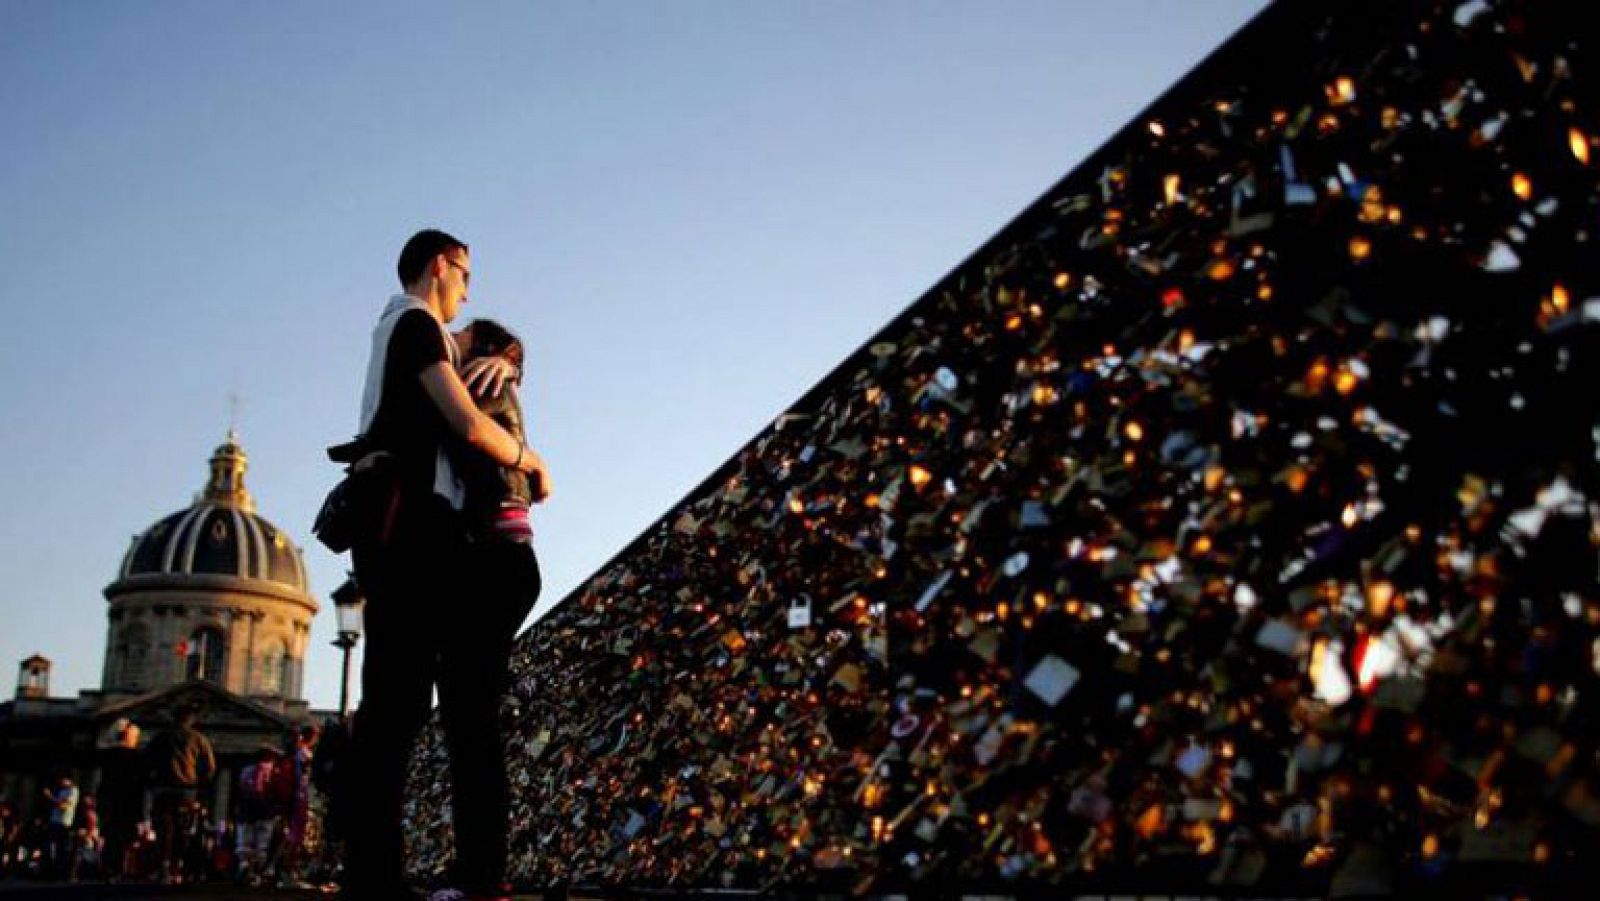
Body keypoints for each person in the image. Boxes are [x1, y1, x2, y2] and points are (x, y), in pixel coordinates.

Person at [342, 229, 549, 901]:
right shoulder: (416, 324)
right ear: (442, 264)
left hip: (397, 533)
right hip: (412, 536)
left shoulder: (394, 330)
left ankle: (377, 872)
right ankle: (392, 875)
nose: (468, 291)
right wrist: (530, 460)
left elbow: (483, 357)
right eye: (465, 275)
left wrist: (509, 357)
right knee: (407, 707)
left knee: (395, 706)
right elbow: (465, 422)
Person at [145, 706, 215, 884]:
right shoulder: (199, 739)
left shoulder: (161, 737)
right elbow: (210, 767)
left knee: (163, 829)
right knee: (183, 829)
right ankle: (178, 866)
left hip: (163, 788)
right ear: (191, 720)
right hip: (187, 790)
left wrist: (153, 780)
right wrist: (200, 785)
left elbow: (146, 761)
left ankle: (164, 865)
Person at [97, 719, 145, 881]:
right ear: (127, 735)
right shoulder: (136, 758)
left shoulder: (106, 755)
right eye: (135, 736)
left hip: (109, 804)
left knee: (111, 837)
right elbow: (138, 787)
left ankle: (108, 869)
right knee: (123, 839)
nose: (136, 740)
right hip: (126, 804)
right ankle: (118, 870)